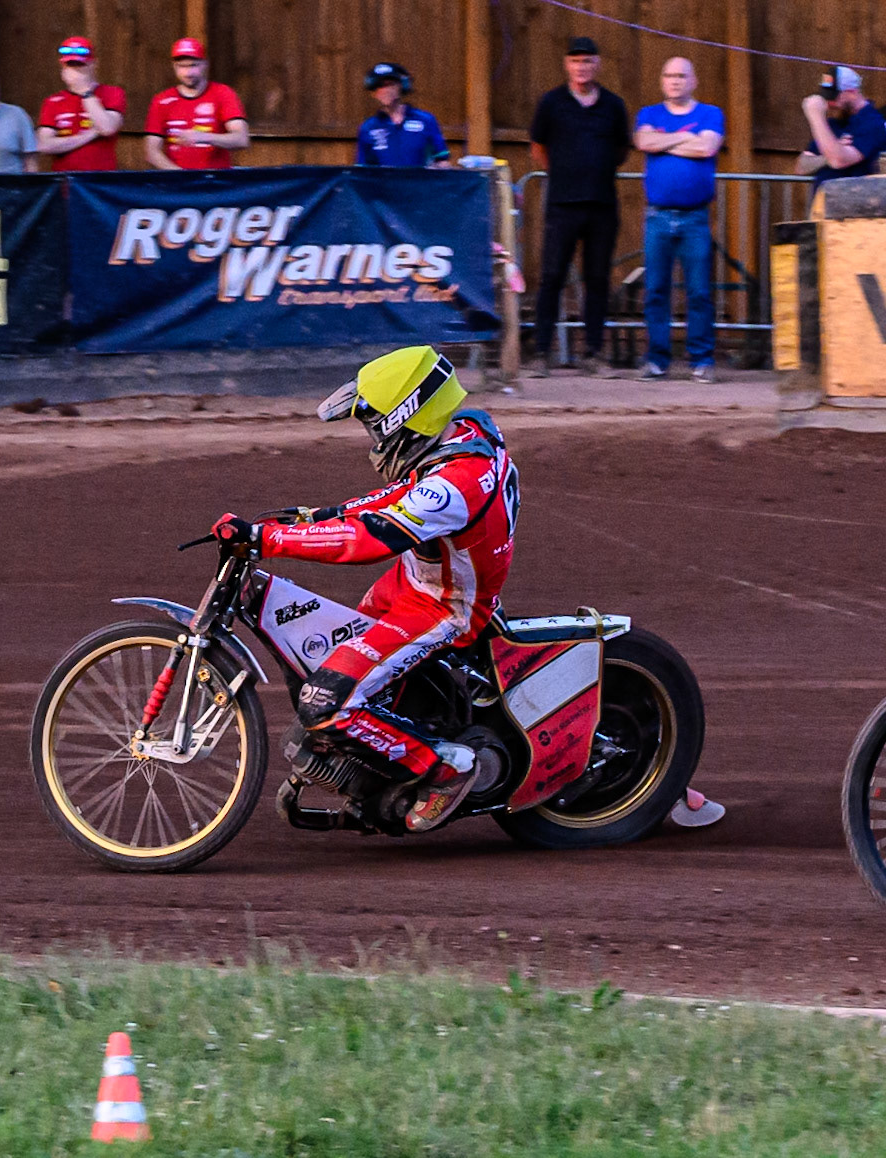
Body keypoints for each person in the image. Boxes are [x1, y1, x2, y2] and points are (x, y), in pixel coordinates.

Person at [210, 346, 520, 834]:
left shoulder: (456, 484)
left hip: (445, 607)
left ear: (407, 419)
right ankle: (374, 761)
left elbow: (371, 538)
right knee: (336, 655)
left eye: (376, 426)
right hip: (414, 580)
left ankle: (445, 768)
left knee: (323, 701)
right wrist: (320, 515)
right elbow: (399, 495)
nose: (373, 440)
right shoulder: (464, 434)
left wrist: (269, 539)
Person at [529, 36, 631, 376]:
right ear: (566, 65)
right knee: (552, 277)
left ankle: (593, 353)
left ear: (597, 65)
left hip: (602, 205)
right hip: (562, 205)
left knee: (598, 279)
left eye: (587, 61)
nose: (581, 67)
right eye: (575, 61)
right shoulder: (552, 103)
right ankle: (542, 352)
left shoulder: (613, 106)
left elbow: (620, 149)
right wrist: (563, 172)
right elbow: (538, 146)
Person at [633, 57, 724, 383]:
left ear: (694, 80)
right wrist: (687, 138)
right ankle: (657, 360)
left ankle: (702, 359)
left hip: (695, 218)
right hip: (657, 218)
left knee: (699, 291)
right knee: (656, 290)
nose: (675, 81)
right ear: (662, 80)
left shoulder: (711, 113)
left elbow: (707, 149)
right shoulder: (648, 114)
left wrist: (665, 139)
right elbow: (644, 142)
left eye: (681, 75)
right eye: (669, 75)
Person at [145, 37, 250, 170]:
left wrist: (205, 137)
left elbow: (241, 139)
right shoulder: (162, 100)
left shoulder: (223, 93)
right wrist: (182, 176)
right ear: (174, 66)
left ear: (205, 64)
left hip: (215, 183)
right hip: (178, 183)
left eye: (193, 65)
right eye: (182, 66)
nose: (188, 73)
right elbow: (152, 151)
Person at [36, 37, 127, 172]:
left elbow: (107, 128)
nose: (75, 70)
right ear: (62, 66)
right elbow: (44, 145)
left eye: (80, 65)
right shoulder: (52, 101)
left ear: (93, 64)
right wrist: (92, 133)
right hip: (65, 181)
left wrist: (86, 92)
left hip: (101, 181)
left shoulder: (112, 93)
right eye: (70, 65)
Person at [796, 65, 886, 190]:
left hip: (854, 204)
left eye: (834, 97)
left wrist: (816, 116)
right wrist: (828, 156)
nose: (829, 103)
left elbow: (838, 161)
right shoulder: (833, 122)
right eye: (826, 97)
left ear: (852, 92)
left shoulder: (872, 123)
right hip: (824, 205)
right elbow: (802, 165)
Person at [355, 62, 449, 168]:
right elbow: (361, 171)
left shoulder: (426, 121)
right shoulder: (368, 128)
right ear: (374, 93)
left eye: (390, 84)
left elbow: (442, 161)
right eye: (380, 86)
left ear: (401, 86)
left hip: (419, 184)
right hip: (383, 184)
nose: (386, 90)